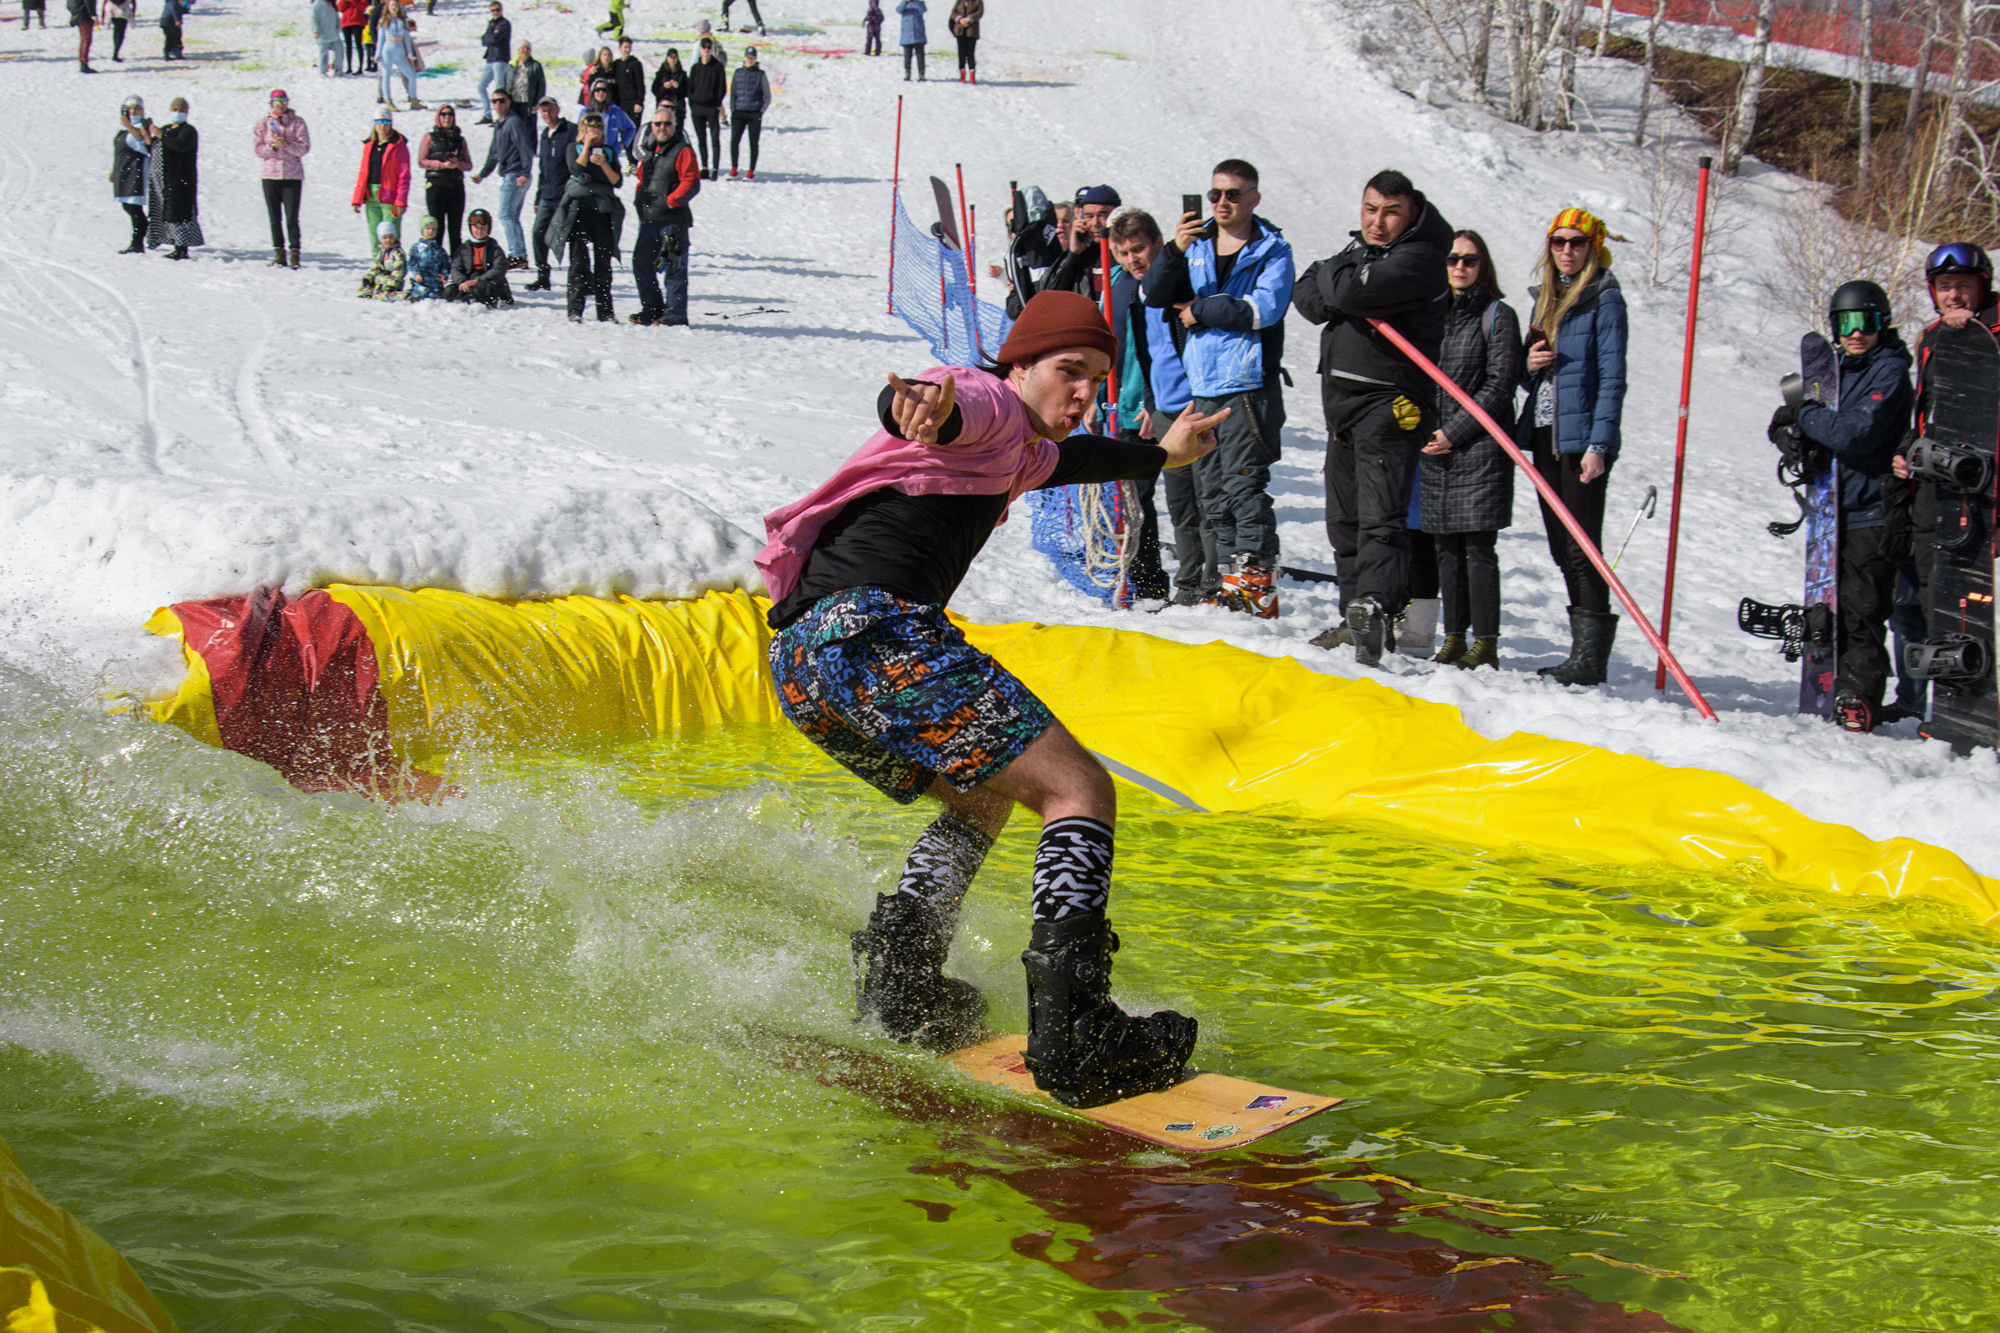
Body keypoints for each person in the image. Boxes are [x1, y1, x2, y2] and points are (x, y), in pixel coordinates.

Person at [759, 290, 1227, 1105]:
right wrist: (919, 410)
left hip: (804, 664)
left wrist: (1166, 454)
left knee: (981, 797)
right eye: (1068, 371)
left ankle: (902, 981)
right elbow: (946, 408)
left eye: (1098, 380)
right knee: (1078, 788)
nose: (1083, 393)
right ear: (1016, 365)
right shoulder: (986, 404)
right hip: (874, 633)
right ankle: (1077, 1029)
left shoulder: (1021, 451)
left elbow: (1076, 461)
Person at [1292, 169, 1452, 664]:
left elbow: (1342, 295)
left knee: (1380, 514)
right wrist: (1337, 277)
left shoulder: (1421, 258)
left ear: (1411, 214)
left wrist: (1336, 278)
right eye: (1369, 210)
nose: (1377, 222)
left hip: (1390, 401)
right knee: (1343, 518)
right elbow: (1309, 296)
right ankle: (1353, 618)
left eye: (1390, 212)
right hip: (1340, 403)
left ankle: (1375, 604)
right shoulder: (1361, 255)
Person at [1140, 160, 1294, 619]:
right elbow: (1153, 293)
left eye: (1233, 194)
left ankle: (1257, 582)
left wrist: (1201, 309)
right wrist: (1173, 248)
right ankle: (1229, 578)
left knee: (1244, 485)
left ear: (1254, 198)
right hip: (1202, 382)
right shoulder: (1199, 243)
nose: (1222, 203)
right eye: (1215, 194)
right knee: (1210, 492)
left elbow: (1262, 309)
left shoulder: (1272, 248)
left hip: (1248, 383)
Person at [1766, 281, 1914, 732]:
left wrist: (1807, 416)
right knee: (1828, 609)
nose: (1856, 333)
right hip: (1830, 511)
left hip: (1873, 509)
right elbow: (1801, 422)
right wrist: (1787, 431)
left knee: (1862, 608)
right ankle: (1831, 684)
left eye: (1865, 322)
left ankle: (1858, 697)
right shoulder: (1835, 374)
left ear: (1881, 324)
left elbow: (1855, 433)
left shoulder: (1889, 371)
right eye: (1846, 323)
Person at [1888, 243, 2000, 722]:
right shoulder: (1932, 337)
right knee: (1936, 599)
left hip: (1989, 489)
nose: (1955, 295)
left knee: (1976, 603)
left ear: (1983, 287)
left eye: (1964, 286)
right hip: (1938, 491)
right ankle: (1942, 708)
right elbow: (1929, 412)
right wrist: (1909, 454)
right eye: (1945, 287)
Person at [1517, 208, 1628, 687]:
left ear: (1593, 247)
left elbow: (1612, 379)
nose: (1566, 250)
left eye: (1577, 242)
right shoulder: (1545, 298)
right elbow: (1524, 375)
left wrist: (1600, 444)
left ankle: (1590, 659)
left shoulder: (1605, 300)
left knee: (1583, 546)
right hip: (1545, 434)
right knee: (1563, 546)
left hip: (1581, 439)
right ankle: (1582, 651)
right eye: (1559, 242)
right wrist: (1530, 362)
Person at [1419, 229, 1521, 671]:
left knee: (1478, 549)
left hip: (1479, 449)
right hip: (1435, 447)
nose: (1460, 266)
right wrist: (1425, 430)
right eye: (1453, 258)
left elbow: (1500, 386)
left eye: (1470, 260)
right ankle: (1454, 637)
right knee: (1445, 548)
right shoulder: (1430, 314)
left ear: (1484, 266)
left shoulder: (1498, 315)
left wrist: (1454, 433)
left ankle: (1486, 642)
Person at [1103, 210, 1173, 601]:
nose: (1134, 259)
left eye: (1140, 249)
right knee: (1126, 501)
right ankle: (1130, 572)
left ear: (1157, 243)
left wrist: (1155, 403)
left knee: (1143, 500)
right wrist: (1098, 403)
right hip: (1119, 405)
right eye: (1125, 252)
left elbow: (1165, 351)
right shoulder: (1115, 284)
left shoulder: (1165, 285)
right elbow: (1108, 347)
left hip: (1152, 408)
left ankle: (1150, 582)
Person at [548, 110, 623, 323]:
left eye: (599, 128)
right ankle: (575, 309)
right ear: (582, 129)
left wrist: (602, 164)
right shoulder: (575, 148)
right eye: (591, 128)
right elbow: (575, 167)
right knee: (579, 262)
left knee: (603, 263)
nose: (595, 131)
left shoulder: (608, 151)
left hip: (602, 209)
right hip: (580, 208)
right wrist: (587, 146)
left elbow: (616, 181)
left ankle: (606, 312)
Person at [631, 101, 700, 326]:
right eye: (657, 124)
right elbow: (642, 177)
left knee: (674, 267)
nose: (662, 128)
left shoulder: (683, 150)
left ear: (674, 126)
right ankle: (652, 307)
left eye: (666, 124)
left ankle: (675, 314)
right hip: (650, 220)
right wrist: (639, 199)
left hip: (673, 222)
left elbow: (691, 182)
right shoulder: (651, 152)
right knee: (641, 263)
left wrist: (671, 201)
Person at [472, 88, 533, 266]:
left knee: (506, 214)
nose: (498, 104)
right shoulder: (500, 124)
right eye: (495, 101)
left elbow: (525, 148)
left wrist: (525, 172)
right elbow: (494, 152)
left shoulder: (513, 122)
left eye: (502, 100)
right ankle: (519, 255)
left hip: (516, 174)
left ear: (509, 102)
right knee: (512, 215)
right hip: (511, 173)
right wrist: (483, 173)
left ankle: (517, 255)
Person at [254, 89, 311, 268]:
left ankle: (295, 253)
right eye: (277, 101)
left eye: (283, 101)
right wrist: (273, 147)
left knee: (292, 216)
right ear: (271, 103)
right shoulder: (264, 123)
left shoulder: (297, 122)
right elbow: (258, 148)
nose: (280, 105)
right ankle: (279, 252)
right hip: (270, 174)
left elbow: (304, 148)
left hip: (292, 175)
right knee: (274, 216)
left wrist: (287, 145)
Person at [525, 95, 576, 291]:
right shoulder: (544, 135)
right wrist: (538, 196)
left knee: (572, 237)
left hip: (566, 194)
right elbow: (543, 169)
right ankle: (543, 274)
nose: (547, 114)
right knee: (539, 233)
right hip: (547, 194)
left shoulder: (569, 130)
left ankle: (580, 277)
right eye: (543, 111)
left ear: (558, 109)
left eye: (550, 109)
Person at [144, 97, 201, 259]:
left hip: (181, 177)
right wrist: (149, 138)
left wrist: (160, 134)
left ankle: (182, 247)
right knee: (168, 211)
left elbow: (179, 145)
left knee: (180, 212)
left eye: (181, 110)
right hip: (163, 179)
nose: (178, 113)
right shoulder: (166, 129)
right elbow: (155, 147)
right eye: (175, 109)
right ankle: (172, 242)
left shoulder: (188, 131)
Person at [1042, 185, 1119, 303]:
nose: (1095, 223)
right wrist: (1073, 253)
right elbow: (1049, 293)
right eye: (1089, 216)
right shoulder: (1083, 257)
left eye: (1103, 215)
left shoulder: (1127, 254)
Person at [417, 103, 471, 253]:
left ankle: (456, 264)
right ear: (438, 117)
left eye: (450, 114)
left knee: (455, 230)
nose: (447, 118)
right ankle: (435, 263)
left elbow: (469, 164)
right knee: (436, 227)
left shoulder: (460, 140)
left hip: (456, 186)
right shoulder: (430, 137)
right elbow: (421, 160)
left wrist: (458, 164)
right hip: (436, 185)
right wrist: (441, 165)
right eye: (443, 114)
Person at [352, 109, 410, 248]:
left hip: (390, 196)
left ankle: (394, 263)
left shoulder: (398, 146)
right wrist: (357, 198)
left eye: (385, 122)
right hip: (371, 195)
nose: (382, 126)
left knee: (390, 232)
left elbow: (404, 174)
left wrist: (400, 201)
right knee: (374, 232)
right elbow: (363, 173)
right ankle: (378, 264)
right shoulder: (369, 146)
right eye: (379, 122)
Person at [110, 96, 151, 253]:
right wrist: (114, 170)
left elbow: (143, 144)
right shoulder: (125, 129)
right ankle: (141, 234)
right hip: (124, 171)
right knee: (127, 206)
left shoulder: (140, 127)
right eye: (131, 109)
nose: (134, 112)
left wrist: (128, 126)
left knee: (134, 208)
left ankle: (137, 241)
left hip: (135, 172)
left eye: (137, 109)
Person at [447, 208, 513, 305]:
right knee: (449, 291)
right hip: (468, 279)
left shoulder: (494, 248)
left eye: (483, 228)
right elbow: (455, 267)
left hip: (487, 280)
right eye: (476, 228)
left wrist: (478, 280)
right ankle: (466, 297)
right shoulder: (464, 248)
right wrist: (462, 281)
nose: (479, 231)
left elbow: (500, 268)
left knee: (482, 289)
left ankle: (474, 299)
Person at [686, 37, 728, 180]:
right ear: (699, 49)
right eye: (703, 47)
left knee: (714, 139)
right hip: (697, 107)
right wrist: (692, 103)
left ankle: (715, 168)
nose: (706, 49)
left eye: (708, 47)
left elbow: (721, 87)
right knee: (701, 139)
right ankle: (704, 167)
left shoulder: (717, 67)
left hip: (711, 107)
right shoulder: (695, 68)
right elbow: (690, 87)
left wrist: (717, 103)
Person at [728, 45, 770, 179]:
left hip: (754, 113)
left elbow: (767, 96)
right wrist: (733, 109)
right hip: (739, 112)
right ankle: (734, 168)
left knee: (753, 142)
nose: (750, 60)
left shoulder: (760, 74)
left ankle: (751, 170)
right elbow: (733, 92)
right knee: (734, 140)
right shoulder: (738, 72)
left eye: (752, 58)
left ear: (756, 59)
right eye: (748, 57)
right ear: (745, 57)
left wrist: (760, 111)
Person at [376, 0, 422, 110]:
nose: (394, 7)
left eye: (396, 5)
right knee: (386, 75)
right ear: (388, 6)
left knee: (411, 75)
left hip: (400, 51)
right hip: (388, 50)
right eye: (392, 5)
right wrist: (378, 53)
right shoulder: (384, 20)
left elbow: (407, 38)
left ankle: (414, 100)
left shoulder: (402, 21)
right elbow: (381, 38)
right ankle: (388, 100)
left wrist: (410, 53)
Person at [585, 78, 637, 161]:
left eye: (604, 90)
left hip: (610, 154)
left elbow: (631, 127)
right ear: (592, 92)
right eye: (597, 90)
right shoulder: (585, 112)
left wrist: (622, 144)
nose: (601, 93)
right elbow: (578, 132)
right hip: (590, 154)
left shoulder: (615, 111)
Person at [476, 1, 511, 123]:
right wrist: (489, 37)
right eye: (493, 10)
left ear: (501, 10)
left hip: (501, 59)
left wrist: (490, 37)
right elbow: (484, 40)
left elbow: (495, 39)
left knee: (499, 90)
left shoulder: (504, 24)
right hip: (490, 59)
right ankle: (487, 115)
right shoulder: (491, 23)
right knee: (481, 86)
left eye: (497, 10)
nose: (495, 13)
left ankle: (501, 117)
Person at [357, 218, 407, 298]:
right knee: (363, 290)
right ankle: (372, 292)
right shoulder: (381, 251)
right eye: (385, 238)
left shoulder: (398, 252)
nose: (388, 240)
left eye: (390, 237)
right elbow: (377, 266)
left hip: (394, 281)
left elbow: (398, 270)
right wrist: (369, 278)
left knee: (381, 294)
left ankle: (402, 296)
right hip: (381, 279)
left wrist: (392, 283)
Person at [404, 214, 448, 299]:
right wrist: (416, 274)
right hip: (421, 281)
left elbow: (445, 264)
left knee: (436, 296)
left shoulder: (439, 249)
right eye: (427, 228)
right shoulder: (416, 248)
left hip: (435, 283)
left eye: (433, 229)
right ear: (422, 230)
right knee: (418, 295)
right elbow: (411, 264)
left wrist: (444, 275)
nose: (430, 231)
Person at [612, 36, 646, 124]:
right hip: (621, 103)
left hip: (633, 102)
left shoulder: (635, 64)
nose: (627, 50)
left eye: (629, 47)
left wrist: (639, 102)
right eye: (625, 47)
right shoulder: (616, 64)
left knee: (633, 129)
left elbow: (640, 85)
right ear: (620, 48)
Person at [651, 47, 687, 121]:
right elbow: (655, 90)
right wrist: (664, 87)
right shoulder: (661, 74)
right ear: (667, 58)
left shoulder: (682, 74)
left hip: (678, 107)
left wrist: (678, 88)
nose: (673, 60)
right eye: (671, 57)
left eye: (675, 57)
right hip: (663, 106)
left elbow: (687, 92)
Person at [509, 40, 546, 111]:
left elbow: (541, 85)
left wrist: (538, 102)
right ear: (518, 50)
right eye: (523, 48)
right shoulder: (512, 65)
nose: (525, 51)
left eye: (528, 49)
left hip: (529, 102)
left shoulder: (536, 65)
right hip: (513, 101)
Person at [948, 0, 979, 82]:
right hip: (960, 32)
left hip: (971, 32)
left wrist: (970, 18)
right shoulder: (960, 1)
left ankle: (972, 76)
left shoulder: (977, 1)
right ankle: (962, 75)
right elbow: (953, 12)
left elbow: (980, 12)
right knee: (961, 54)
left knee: (970, 54)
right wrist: (959, 19)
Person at [311, 0, 342, 77]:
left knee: (339, 50)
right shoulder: (317, 4)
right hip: (322, 35)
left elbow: (337, 17)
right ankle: (323, 71)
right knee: (323, 53)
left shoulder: (332, 4)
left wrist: (338, 28)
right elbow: (314, 19)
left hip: (334, 34)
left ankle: (338, 68)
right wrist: (316, 30)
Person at [898, 0, 926, 80]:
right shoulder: (904, 3)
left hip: (918, 33)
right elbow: (898, 10)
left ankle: (921, 73)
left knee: (920, 55)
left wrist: (915, 2)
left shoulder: (919, 2)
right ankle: (907, 72)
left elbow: (923, 9)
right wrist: (905, 2)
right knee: (907, 55)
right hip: (907, 34)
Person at [337, 0, 366, 74]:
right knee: (348, 45)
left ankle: (360, 68)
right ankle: (349, 67)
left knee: (358, 44)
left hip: (358, 21)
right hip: (346, 22)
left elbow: (362, 7)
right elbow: (340, 8)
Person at [69, 0, 96, 73]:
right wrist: (93, 14)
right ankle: (84, 63)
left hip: (79, 15)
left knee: (85, 39)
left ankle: (83, 62)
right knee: (86, 39)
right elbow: (89, 3)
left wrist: (75, 12)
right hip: (84, 15)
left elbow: (69, 5)